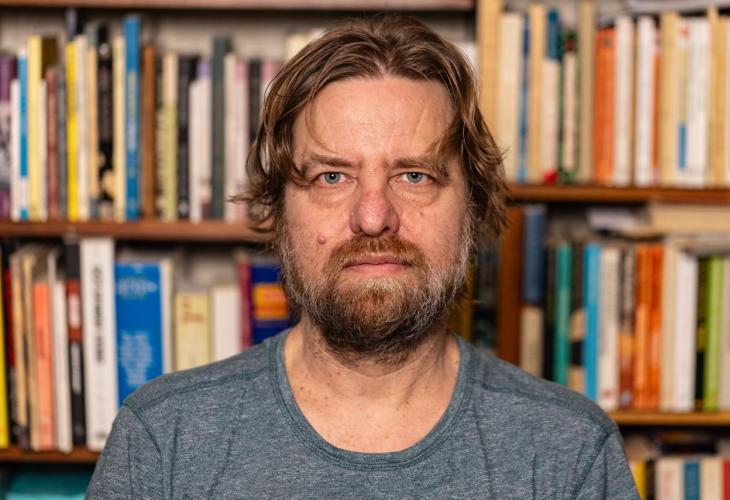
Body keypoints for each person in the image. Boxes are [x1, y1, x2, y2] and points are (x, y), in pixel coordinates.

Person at [88, 15, 638, 498]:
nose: (374, 217)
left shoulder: (569, 450)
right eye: (332, 176)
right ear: (278, 209)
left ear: (471, 208)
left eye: (414, 175)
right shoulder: (164, 439)